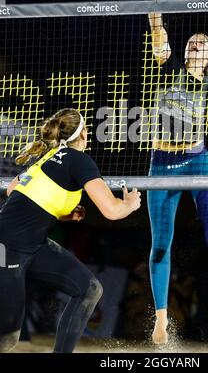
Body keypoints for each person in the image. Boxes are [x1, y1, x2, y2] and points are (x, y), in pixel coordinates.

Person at [137, 0, 208, 344]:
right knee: (161, 243)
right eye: (192, 39)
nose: (195, 41)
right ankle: (161, 319)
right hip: (162, 163)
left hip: (198, 159)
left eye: (202, 42)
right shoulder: (170, 66)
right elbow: (158, 30)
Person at [0, 108, 141, 353]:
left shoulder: (48, 155)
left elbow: (14, 190)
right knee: (8, 339)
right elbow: (111, 211)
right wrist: (130, 204)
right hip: (7, 248)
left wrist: (63, 212)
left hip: (32, 244)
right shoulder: (78, 160)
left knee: (89, 289)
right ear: (84, 134)